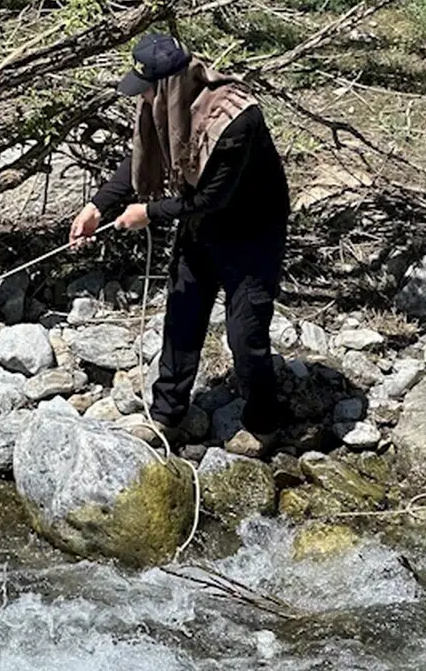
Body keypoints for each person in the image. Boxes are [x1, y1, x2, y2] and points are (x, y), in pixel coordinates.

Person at [69, 33, 290, 457]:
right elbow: (136, 161)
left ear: (171, 83)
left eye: (149, 87)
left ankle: (264, 423)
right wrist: (98, 206)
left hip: (251, 232)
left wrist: (147, 214)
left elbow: (212, 197)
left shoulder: (235, 119)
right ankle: (168, 414)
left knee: (246, 335)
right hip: (199, 227)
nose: (145, 96)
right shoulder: (163, 104)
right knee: (183, 315)